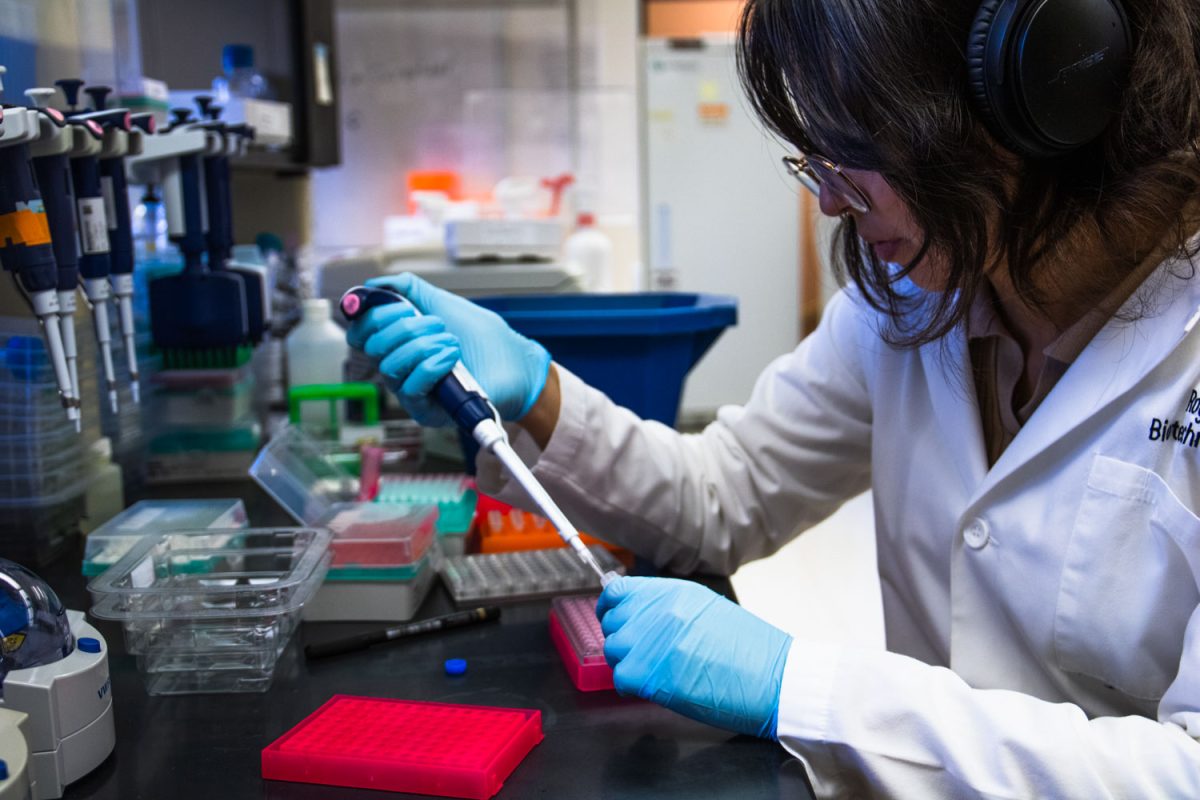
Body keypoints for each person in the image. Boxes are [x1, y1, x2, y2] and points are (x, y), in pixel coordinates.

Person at [346, 0, 1200, 794]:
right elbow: (722, 496)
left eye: (860, 144)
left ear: (1046, 80)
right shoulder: (917, 299)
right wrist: (534, 389)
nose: (829, 198)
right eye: (817, 154)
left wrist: (803, 688)